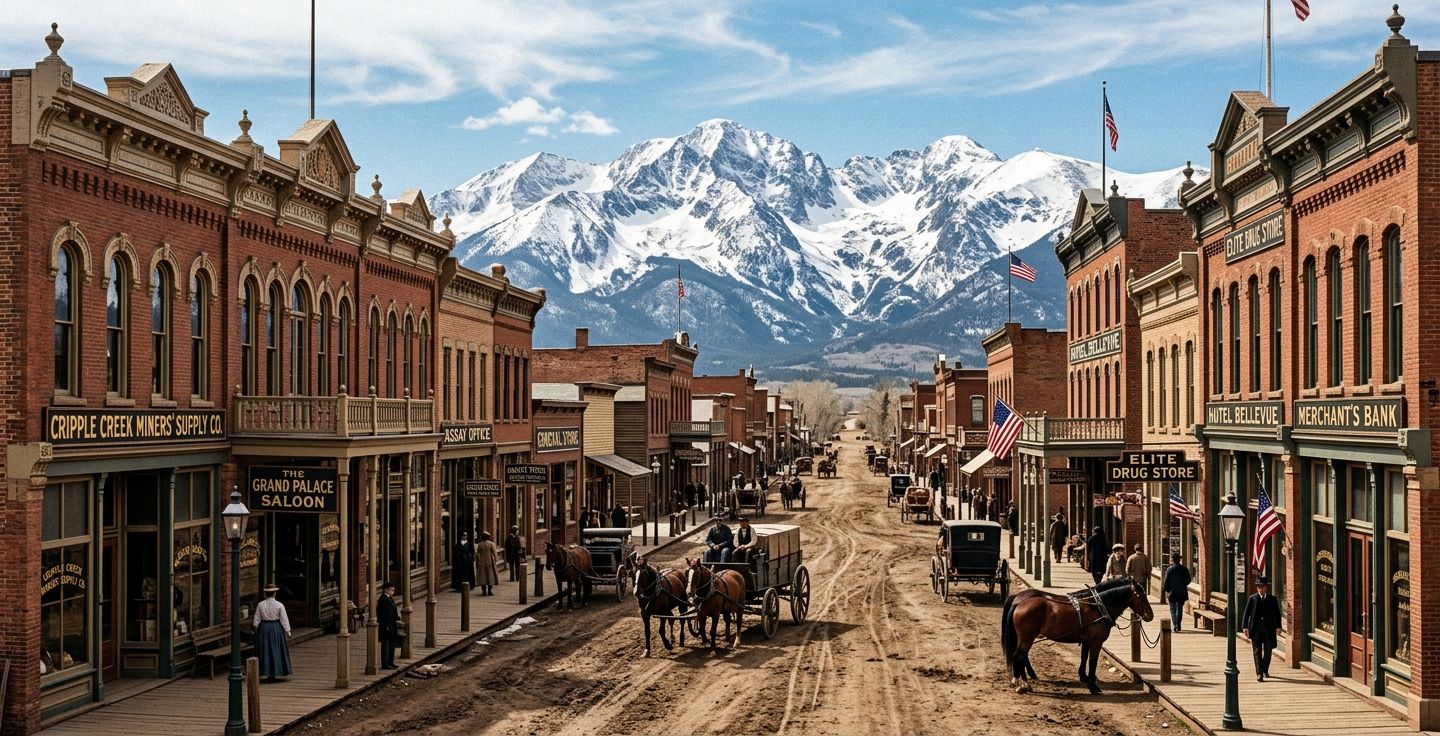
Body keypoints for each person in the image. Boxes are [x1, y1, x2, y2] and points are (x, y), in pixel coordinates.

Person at [1243, 574, 1282, 681]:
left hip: (1269, 629)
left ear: (1266, 588)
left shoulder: (1272, 599)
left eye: (1262, 587)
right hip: (1256, 629)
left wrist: (1278, 626)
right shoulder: (1252, 599)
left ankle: (1265, 669)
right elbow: (1246, 614)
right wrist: (1245, 627)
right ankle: (1259, 673)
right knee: (1257, 651)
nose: (1260, 589)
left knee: (1268, 650)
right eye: (1259, 587)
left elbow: (1277, 614)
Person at [252, 582, 292, 681]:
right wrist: (288, 631)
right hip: (276, 628)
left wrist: (256, 630)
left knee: (265, 649)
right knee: (276, 648)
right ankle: (276, 670)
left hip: (264, 628)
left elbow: (256, 620)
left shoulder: (260, 605)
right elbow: (284, 619)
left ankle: (266, 671)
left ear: (265, 594)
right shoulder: (279, 605)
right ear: (275, 593)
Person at [1160, 553, 1192, 632]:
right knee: (1179, 609)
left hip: (1172, 592)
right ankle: (1178, 624)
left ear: (1173, 560)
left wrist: (1165, 590)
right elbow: (1189, 580)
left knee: (1173, 610)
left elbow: (1166, 581)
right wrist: (1183, 585)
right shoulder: (1184, 569)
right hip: (1181, 592)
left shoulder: (1169, 569)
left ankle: (1175, 625)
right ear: (1179, 560)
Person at [378, 580, 401, 670]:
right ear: (386, 590)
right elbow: (382, 614)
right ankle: (385, 663)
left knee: (391, 644)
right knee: (385, 645)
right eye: (391, 590)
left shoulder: (390, 599)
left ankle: (390, 662)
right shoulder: (383, 600)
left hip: (392, 624)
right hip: (386, 626)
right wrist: (386, 625)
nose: (393, 592)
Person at [475, 531, 500, 595]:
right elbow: (494, 553)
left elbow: (478, 554)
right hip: (490, 562)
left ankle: (483, 591)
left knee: (482, 576)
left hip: (482, 562)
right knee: (490, 576)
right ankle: (489, 591)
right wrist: (496, 560)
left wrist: (477, 562)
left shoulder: (480, 544)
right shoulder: (491, 544)